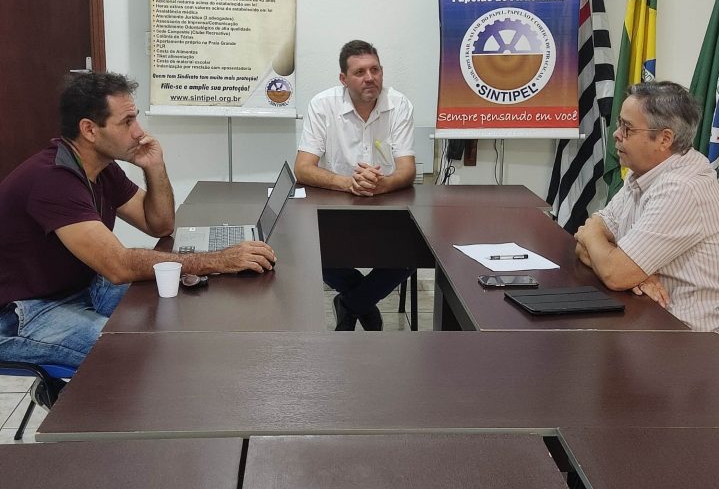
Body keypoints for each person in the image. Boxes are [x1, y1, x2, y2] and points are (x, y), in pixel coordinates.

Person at [0, 72, 276, 368]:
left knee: (182, 302)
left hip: (81, 286)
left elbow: (159, 224)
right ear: (90, 130)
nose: (138, 131)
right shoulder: (52, 181)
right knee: (133, 355)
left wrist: (154, 166)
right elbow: (117, 266)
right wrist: (221, 260)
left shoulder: (100, 168)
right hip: (23, 313)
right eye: (127, 122)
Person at [574, 81, 719, 339]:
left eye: (627, 128)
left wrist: (594, 240)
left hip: (693, 344)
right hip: (653, 319)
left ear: (664, 139)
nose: (616, 135)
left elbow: (613, 272)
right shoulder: (646, 174)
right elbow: (589, 242)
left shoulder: (682, 188)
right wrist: (637, 276)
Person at [294, 40, 416, 331]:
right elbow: (302, 168)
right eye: (360, 72)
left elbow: (407, 170)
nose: (369, 77)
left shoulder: (399, 104)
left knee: (414, 253)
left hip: (385, 205)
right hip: (334, 204)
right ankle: (363, 302)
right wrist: (349, 183)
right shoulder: (323, 105)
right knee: (309, 252)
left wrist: (379, 186)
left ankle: (351, 304)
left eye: (375, 69)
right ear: (343, 79)